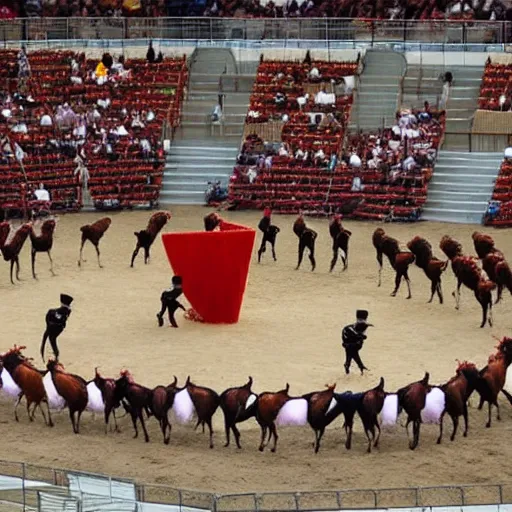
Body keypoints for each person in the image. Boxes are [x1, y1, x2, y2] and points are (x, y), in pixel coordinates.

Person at [41, 294, 73, 361]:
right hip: (58, 327)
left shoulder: (52, 311)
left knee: (51, 338)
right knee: (52, 338)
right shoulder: (68, 311)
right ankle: (56, 354)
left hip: (53, 326)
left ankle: (55, 353)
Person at [341, 309, 373, 375]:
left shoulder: (363, 326)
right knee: (352, 349)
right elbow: (356, 334)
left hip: (353, 344)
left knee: (351, 350)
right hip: (349, 343)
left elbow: (360, 335)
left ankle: (348, 363)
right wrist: (361, 336)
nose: (362, 321)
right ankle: (359, 366)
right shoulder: (349, 328)